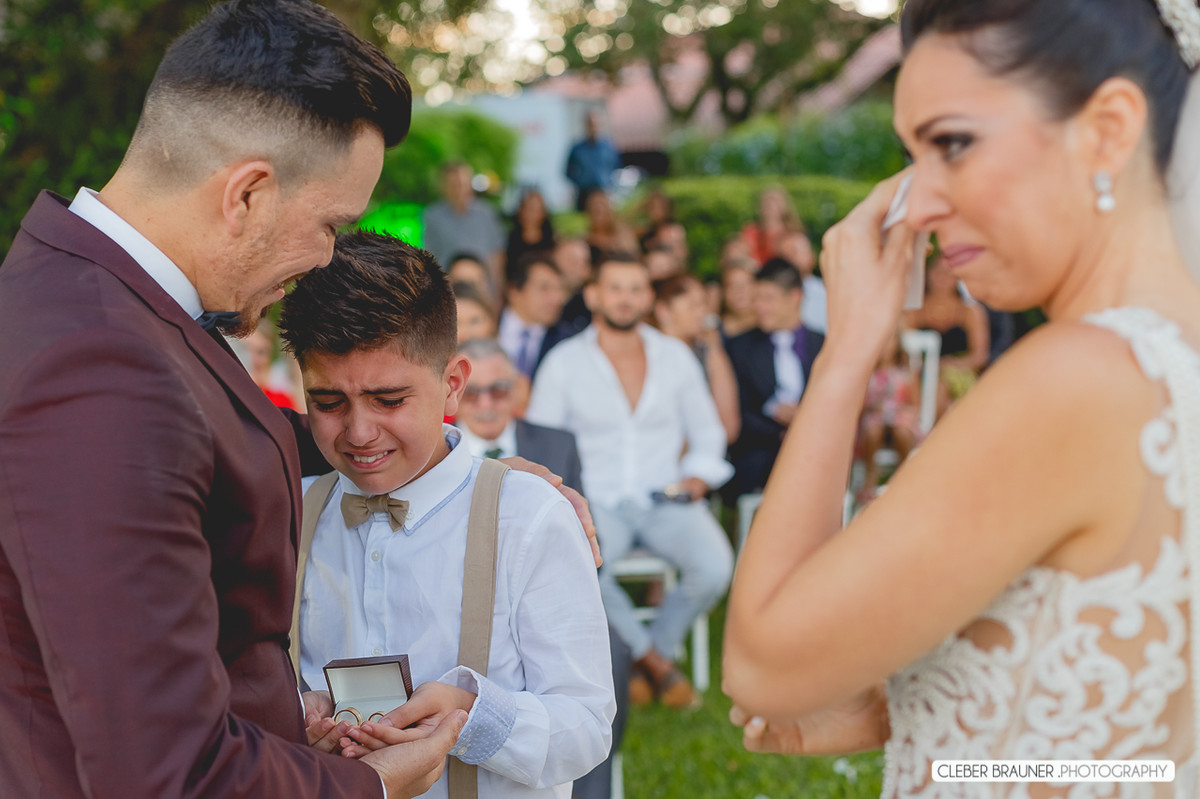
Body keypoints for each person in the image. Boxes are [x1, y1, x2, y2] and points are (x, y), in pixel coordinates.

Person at [723, 1, 1200, 796]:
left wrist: (844, 354)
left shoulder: (1074, 379)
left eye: (954, 144)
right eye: (913, 157)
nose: (922, 201)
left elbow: (762, 663)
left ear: (1110, 127)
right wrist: (916, 712)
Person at [0, 1, 467, 796]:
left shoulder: (95, 298)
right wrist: (377, 784)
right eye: (329, 224)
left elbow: (204, 440)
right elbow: (166, 771)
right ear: (246, 194)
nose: (326, 259)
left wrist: (469, 464)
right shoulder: (103, 366)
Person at [282, 232, 615, 799]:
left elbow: (585, 729)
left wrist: (469, 715)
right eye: (328, 402)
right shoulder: (292, 512)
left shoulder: (527, 517)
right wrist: (296, 721)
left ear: (453, 384)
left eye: (389, 400)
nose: (359, 433)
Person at [527, 253, 734, 709]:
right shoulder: (563, 362)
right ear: (594, 295)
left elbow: (708, 431)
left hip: (665, 496)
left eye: (636, 288)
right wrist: (564, 495)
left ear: (648, 297)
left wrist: (699, 475)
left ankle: (647, 653)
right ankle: (658, 665)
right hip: (595, 498)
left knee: (716, 567)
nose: (626, 299)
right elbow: (540, 440)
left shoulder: (675, 356)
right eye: (616, 288)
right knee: (583, 570)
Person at [453, 337, 633, 799]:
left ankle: (592, 787)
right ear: (453, 393)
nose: (487, 404)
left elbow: (588, 535)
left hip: (550, 590)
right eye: (475, 393)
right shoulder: (440, 452)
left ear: (519, 391)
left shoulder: (556, 444)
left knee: (611, 650)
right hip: (465, 598)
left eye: (499, 390)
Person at [723, 259, 825, 502]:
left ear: (795, 297)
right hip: (760, 449)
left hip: (814, 447)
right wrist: (779, 428)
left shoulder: (823, 345)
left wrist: (803, 420)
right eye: (756, 299)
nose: (759, 307)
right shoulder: (740, 347)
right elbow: (739, 409)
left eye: (768, 299)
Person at [652, 274, 741, 444]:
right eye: (693, 306)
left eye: (703, 305)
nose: (702, 313)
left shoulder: (710, 353)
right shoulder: (645, 354)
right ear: (663, 311)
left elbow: (729, 428)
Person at [905, 253, 990, 417]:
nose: (942, 278)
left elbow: (979, 356)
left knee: (940, 387)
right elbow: (906, 352)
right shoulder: (914, 311)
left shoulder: (970, 312)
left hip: (958, 372)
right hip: (919, 373)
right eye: (937, 271)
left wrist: (948, 364)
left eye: (948, 273)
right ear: (928, 273)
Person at [423, 162, 505, 284]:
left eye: (462, 183)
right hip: (450, 288)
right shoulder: (433, 217)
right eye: (453, 184)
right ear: (443, 187)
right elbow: (430, 256)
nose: (459, 189)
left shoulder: (487, 214)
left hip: (483, 289)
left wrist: (498, 289)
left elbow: (496, 254)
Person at [498, 253, 570, 379]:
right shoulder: (486, 325)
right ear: (514, 292)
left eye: (559, 290)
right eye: (544, 288)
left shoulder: (565, 341)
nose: (557, 299)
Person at [565, 110, 621, 211]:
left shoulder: (609, 148)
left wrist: (609, 184)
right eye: (590, 124)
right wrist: (580, 181)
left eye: (595, 124)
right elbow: (568, 171)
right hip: (584, 193)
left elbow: (616, 168)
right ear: (586, 125)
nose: (593, 128)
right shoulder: (577, 148)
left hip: (604, 191)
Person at [741, 185, 803, 264]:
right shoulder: (752, 232)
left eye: (775, 203)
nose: (770, 207)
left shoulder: (793, 234)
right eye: (767, 203)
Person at [505, 188, 556, 270]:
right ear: (521, 210)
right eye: (529, 208)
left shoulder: (553, 241)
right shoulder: (508, 240)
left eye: (537, 209)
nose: (532, 214)